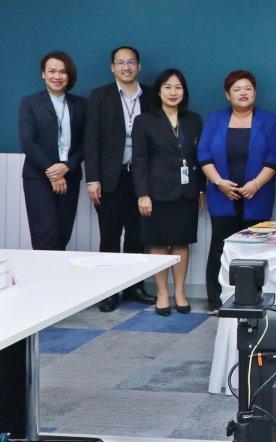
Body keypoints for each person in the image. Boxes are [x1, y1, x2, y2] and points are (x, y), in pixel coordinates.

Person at [198, 70, 276, 313]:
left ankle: (254, 300)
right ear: (227, 95)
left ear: (255, 92)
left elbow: (274, 157)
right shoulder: (215, 119)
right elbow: (203, 153)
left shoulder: (269, 120)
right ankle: (215, 300)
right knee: (219, 248)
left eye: (248, 89)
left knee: (255, 250)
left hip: (257, 195)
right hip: (222, 195)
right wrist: (219, 183)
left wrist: (256, 184)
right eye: (237, 89)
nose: (243, 93)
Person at [85, 45, 157, 311]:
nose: (126, 67)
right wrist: (92, 178)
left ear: (139, 66)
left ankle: (134, 286)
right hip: (110, 178)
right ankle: (109, 291)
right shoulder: (100, 96)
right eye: (120, 62)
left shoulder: (151, 95)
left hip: (141, 177)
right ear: (112, 67)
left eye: (131, 62)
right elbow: (91, 139)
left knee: (138, 235)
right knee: (110, 235)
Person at [131, 69, 204, 315]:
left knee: (182, 243)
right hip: (155, 194)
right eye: (168, 87)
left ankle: (180, 292)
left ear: (184, 91)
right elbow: (139, 160)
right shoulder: (144, 121)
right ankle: (162, 293)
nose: (173, 92)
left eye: (178, 87)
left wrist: (201, 189)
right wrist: (142, 194)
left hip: (187, 192)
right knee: (158, 244)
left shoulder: (193, 120)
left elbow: (200, 157)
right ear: (159, 91)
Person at [18, 51, 86, 251]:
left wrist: (67, 166)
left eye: (63, 72)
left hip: (70, 175)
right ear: (43, 74)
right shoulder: (30, 103)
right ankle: (43, 272)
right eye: (52, 71)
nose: (57, 76)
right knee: (45, 233)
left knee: (63, 232)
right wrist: (53, 171)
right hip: (38, 177)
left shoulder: (81, 105)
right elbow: (27, 142)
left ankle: (57, 271)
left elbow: (87, 142)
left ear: (69, 75)